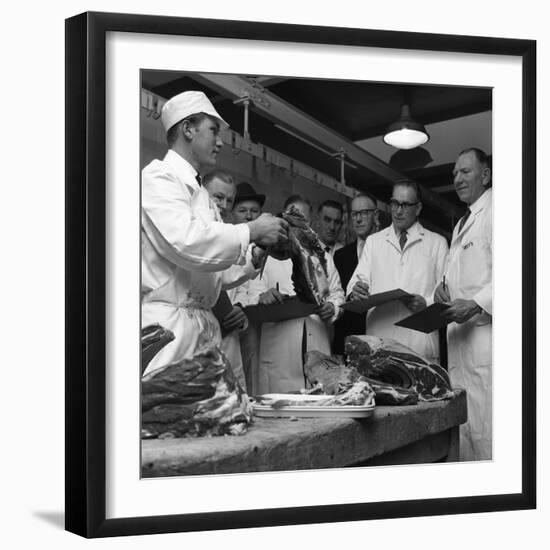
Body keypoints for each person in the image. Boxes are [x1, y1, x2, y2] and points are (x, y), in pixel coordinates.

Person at [141, 90, 287, 376]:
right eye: (213, 131)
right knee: (171, 416)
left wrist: (254, 253)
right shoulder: (159, 177)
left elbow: (213, 273)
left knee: (216, 416)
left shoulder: (202, 195)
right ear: (188, 129)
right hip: (170, 330)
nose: (220, 142)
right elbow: (186, 243)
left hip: (203, 326)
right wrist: (250, 230)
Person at [434, 148, 493, 461]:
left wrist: (476, 303)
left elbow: (518, 272)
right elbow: (451, 277)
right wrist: (440, 291)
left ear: (485, 175)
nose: (457, 179)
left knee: (488, 437)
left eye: (465, 172)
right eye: (454, 173)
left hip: (485, 346)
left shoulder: (498, 210)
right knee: (466, 437)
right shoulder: (460, 224)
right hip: (459, 349)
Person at [347, 180, 448, 362]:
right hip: (379, 342)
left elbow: (446, 293)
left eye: (405, 205)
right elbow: (357, 281)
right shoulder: (374, 242)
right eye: (394, 203)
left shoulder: (437, 243)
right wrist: (356, 289)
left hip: (419, 343)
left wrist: (426, 302)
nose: (398, 211)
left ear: (418, 208)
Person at [257, 196, 345, 393]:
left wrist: (333, 307)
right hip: (279, 348)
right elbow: (248, 291)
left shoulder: (323, 256)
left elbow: (337, 293)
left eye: (302, 219)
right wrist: (262, 296)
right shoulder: (265, 253)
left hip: (316, 340)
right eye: (292, 217)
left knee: (319, 405)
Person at [229, 182, 269, 394]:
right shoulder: (226, 242)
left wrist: (259, 299)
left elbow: (255, 289)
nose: (249, 216)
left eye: (254, 211)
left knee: (250, 385)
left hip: (252, 327)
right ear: (232, 214)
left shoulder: (266, 247)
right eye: (242, 210)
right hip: (226, 325)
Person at [332, 193, 378, 354]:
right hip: (352, 344)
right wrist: (338, 349)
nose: (358, 219)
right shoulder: (340, 256)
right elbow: (340, 302)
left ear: (375, 215)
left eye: (364, 213)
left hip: (381, 336)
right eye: (354, 214)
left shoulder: (387, 250)